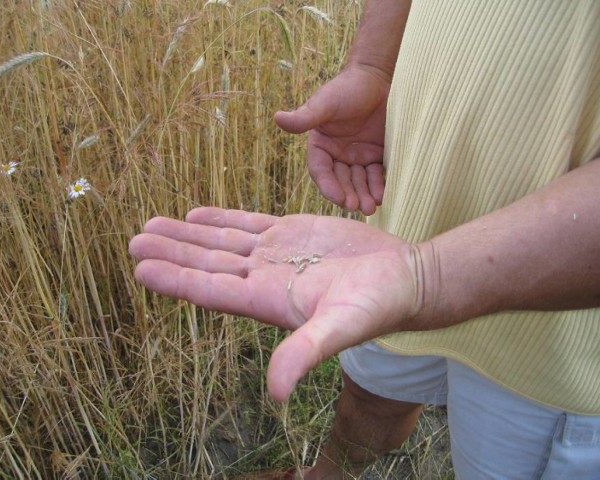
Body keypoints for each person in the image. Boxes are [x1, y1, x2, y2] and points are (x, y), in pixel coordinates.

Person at [129, 0, 600, 478]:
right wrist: (372, 65)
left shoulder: (420, 278)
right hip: (406, 219)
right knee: (372, 392)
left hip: (556, 322)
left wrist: (428, 278)